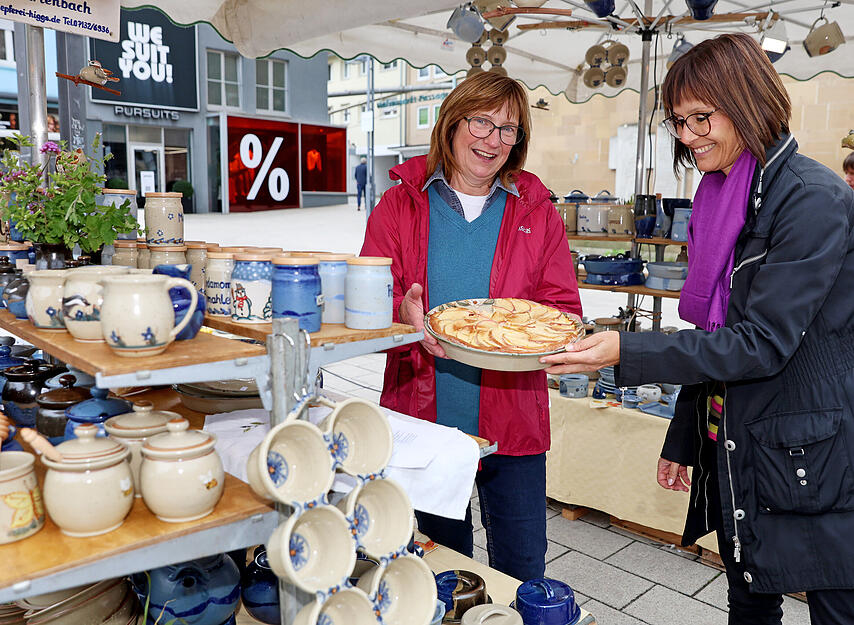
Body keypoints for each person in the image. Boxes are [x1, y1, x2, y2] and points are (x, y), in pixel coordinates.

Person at [542, 33, 854, 624]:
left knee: (834, 607)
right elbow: (717, 327)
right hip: (743, 444)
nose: (688, 136)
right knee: (749, 603)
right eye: (679, 121)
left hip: (810, 457)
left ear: (748, 102)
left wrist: (621, 351)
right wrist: (685, 434)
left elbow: (760, 342)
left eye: (701, 118)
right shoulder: (722, 195)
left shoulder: (812, 200)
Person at [360, 71, 581, 581]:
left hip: (514, 422)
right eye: (482, 121)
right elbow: (369, 298)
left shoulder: (537, 210)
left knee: (523, 569)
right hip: (426, 420)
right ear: (452, 122)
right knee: (439, 568)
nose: (492, 139)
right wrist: (401, 313)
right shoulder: (400, 202)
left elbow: (562, 307)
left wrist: (542, 336)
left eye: (509, 129)